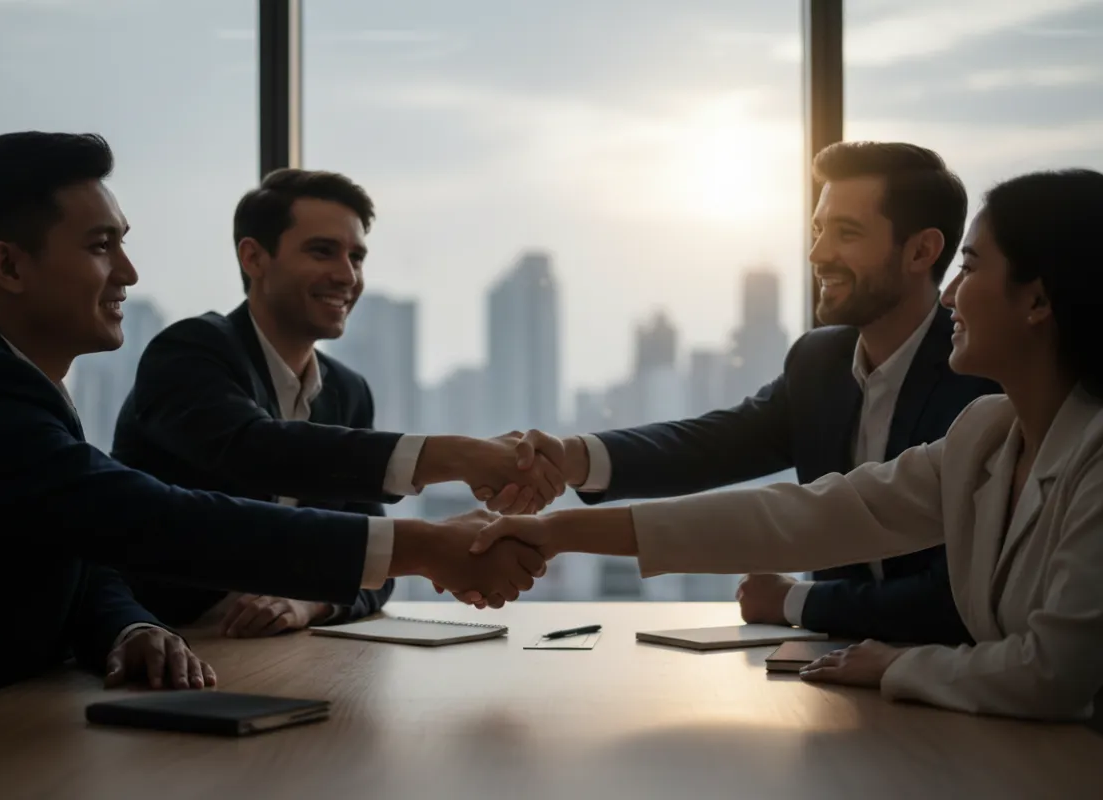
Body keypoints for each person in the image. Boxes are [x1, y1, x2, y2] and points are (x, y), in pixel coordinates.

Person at [0, 131, 544, 726]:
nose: (128, 272)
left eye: (356, 256)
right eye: (101, 247)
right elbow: (158, 515)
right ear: (9, 268)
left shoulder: (12, 383)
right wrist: (427, 535)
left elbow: (82, 551)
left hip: (40, 716)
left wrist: (129, 628)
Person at [472, 168, 1103, 724]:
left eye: (970, 267)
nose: (949, 293)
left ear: (1038, 300)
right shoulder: (985, 434)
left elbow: (1054, 673)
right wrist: (557, 531)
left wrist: (894, 664)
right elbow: (801, 515)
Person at [479, 142, 997, 645]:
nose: (817, 254)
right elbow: (712, 445)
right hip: (828, 666)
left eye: (847, 233)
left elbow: (956, 599)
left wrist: (794, 601)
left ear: (921, 251)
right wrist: (572, 458)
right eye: (818, 231)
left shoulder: (984, 381)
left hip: (952, 678)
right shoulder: (820, 361)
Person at [111, 168, 561, 636]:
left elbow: (376, 569)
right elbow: (257, 451)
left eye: (357, 257)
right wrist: (459, 456)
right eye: (322, 251)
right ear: (254, 257)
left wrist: (309, 603)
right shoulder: (189, 353)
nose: (347, 275)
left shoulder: (347, 391)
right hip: (151, 639)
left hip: (277, 650)